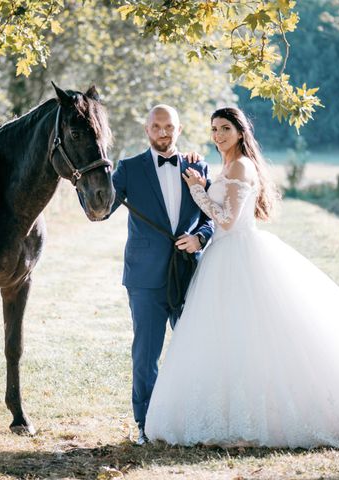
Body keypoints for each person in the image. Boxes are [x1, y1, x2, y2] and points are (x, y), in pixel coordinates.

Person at [144, 106, 339, 448]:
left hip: (238, 254)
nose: (218, 135)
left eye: (224, 128)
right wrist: (202, 179)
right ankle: (232, 412)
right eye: (214, 129)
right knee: (232, 338)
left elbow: (227, 220)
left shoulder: (241, 165)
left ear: (240, 132)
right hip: (222, 258)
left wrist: (197, 190)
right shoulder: (228, 165)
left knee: (257, 336)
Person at [109, 105, 214, 445]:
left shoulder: (197, 166)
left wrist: (200, 237)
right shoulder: (128, 169)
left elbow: (213, 214)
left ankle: (196, 419)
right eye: (156, 126)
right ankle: (146, 425)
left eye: (169, 126)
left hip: (188, 272)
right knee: (145, 354)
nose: (163, 132)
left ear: (179, 129)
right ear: (147, 129)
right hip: (145, 277)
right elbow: (100, 209)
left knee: (196, 350)